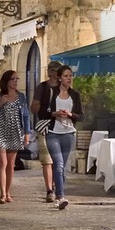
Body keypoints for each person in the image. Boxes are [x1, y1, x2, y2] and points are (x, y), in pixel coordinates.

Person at [37, 65, 82, 210]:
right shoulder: (52, 93)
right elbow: (42, 113)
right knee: (58, 164)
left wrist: (70, 115)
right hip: (53, 133)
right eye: (66, 76)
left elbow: (81, 116)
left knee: (63, 167)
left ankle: (59, 193)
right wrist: (55, 114)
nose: (69, 78)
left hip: (68, 133)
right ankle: (60, 196)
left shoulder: (75, 95)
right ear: (59, 78)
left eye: (70, 76)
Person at [0, 70, 32, 204]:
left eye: (17, 79)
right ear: (7, 81)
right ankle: (2, 194)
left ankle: (8, 193)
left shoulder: (21, 97)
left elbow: (26, 116)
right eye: (13, 79)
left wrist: (27, 133)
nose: (16, 81)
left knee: (11, 164)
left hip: (15, 131)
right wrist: (0, 103)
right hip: (0, 130)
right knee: (2, 162)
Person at [32, 61, 62, 181]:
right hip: (45, 126)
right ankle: (50, 189)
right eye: (54, 70)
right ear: (49, 72)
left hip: (61, 127)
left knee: (58, 160)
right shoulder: (42, 87)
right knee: (47, 160)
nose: (56, 73)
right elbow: (33, 108)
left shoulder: (65, 87)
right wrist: (42, 105)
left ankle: (57, 187)